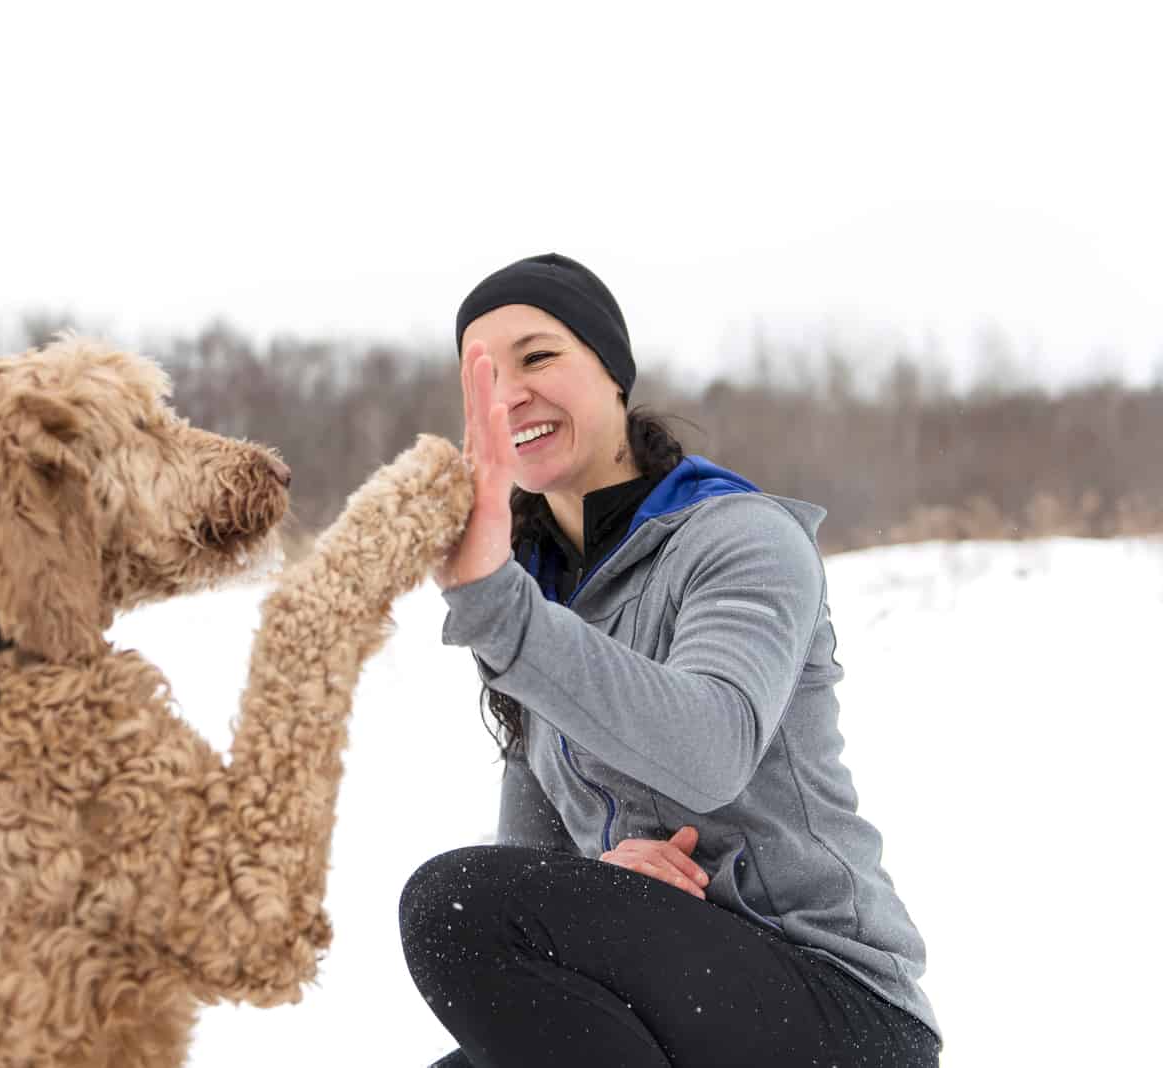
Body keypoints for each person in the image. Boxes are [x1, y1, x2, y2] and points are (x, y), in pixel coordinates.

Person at [399, 253, 942, 1067]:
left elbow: (709, 753)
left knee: (451, 904)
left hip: (835, 1003)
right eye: (481, 375)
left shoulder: (740, 537)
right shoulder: (538, 599)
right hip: (670, 996)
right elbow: (532, 870)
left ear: (613, 373)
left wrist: (498, 609)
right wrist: (605, 873)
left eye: (539, 356)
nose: (510, 393)